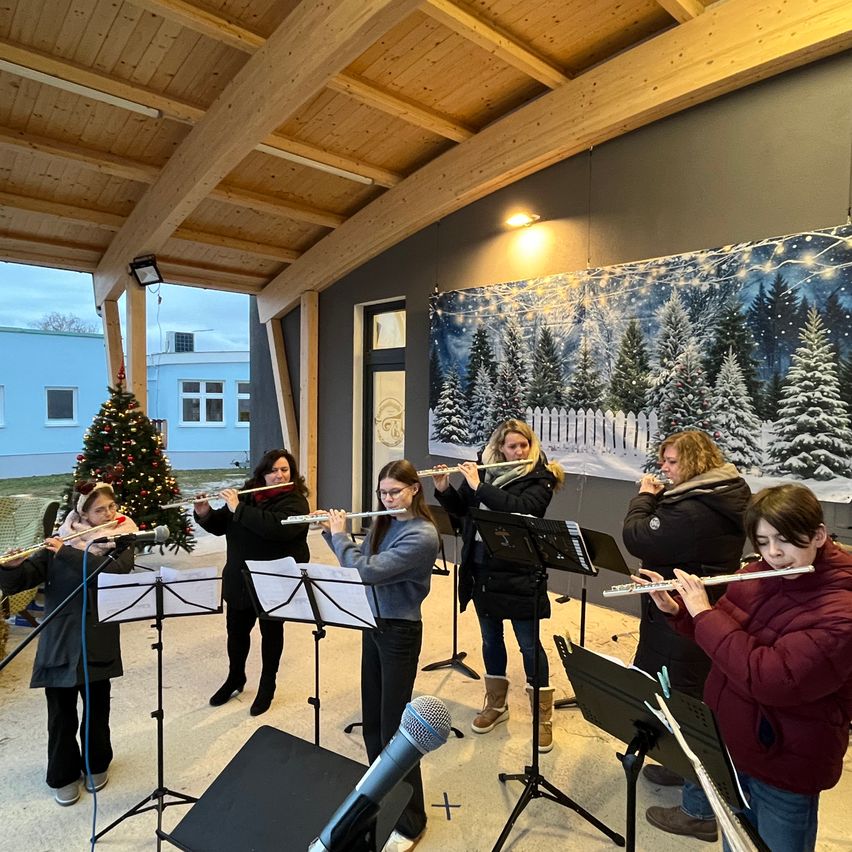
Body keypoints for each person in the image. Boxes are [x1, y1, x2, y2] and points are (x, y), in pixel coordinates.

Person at [638, 483, 852, 852]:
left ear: (819, 535)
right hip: (733, 743)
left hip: (785, 762)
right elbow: (726, 636)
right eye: (763, 542)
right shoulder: (758, 574)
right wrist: (680, 611)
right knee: (737, 843)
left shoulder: (841, 610)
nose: (774, 554)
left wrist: (703, 612)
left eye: (785, 539)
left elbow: (771, 679)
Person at [622, 429, 751, 842]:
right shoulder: (717, 494)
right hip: (686, 611)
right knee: (680, 693)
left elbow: (636, 535)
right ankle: (682, 767)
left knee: (689, 702)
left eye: (672, 461)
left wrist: (645, 497)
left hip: (686, 616)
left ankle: (699, 813)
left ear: (695, 462)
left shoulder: (695, 509)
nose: (664, 468)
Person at [320, 459, 439, 852]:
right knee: (372, 723)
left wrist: (340, 536)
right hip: (371, 624)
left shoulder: (422, 535)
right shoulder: (384, 522)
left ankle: (412, 821)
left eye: (395, 492)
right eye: (383, 492)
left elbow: (366, 571)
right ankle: (380, 797)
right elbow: (360, 558)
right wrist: (331, 534)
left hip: (399, 632)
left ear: (414, 489)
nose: (387, 499)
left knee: (396, 733)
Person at [0, 481, 137, 806]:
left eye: (111, 507)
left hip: (98, 637)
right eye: (100, 510)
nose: (109, 513)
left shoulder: (122, 540)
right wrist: (10, 567)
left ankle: (96, 763)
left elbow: (114, 572)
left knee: (97, 710)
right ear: (84, 513)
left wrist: (69, 552)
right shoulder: (58, 541)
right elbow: (20, 582)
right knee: (60, 716)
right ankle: (62, 774)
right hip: (59, 640)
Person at [431, 418, 565, 752]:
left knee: (528, 644)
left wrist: (479, 486)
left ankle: (542, 716)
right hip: (482, 568)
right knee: (491, 639)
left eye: (523, 445)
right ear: (500, 448)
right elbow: (462, 513)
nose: (518, 451)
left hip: (520, 571)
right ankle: (496, 704)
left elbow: (521, 509)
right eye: (512, 446)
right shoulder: (485, 471)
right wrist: (445, 489)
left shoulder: (540, 477)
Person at [194, 448, 310, 716]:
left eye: (284, 470)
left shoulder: (296, 502)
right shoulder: (248, 494)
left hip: (273, 582)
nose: (279, 475)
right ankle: (236, 677)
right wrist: (205, 513)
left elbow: (275, 528)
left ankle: (267, 684)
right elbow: (221, 525)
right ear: (262, 473)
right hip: (240, 578)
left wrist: (238, 508)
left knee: (271, 635)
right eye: (273, 470)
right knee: (236, 633)